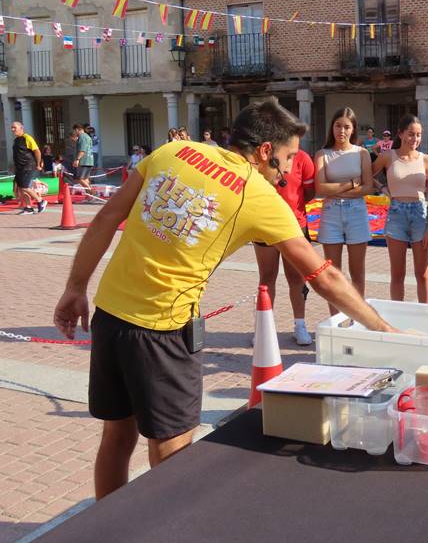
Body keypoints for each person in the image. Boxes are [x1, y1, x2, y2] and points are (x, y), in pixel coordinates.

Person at [53, 97, 397, 500]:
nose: (286, 173)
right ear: (265, 150)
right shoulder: (258, 194)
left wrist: (75, 288)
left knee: (117, 435)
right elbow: (322, 276)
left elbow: (107, 217)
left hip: (110, 314)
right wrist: (383, 328)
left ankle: (105, 529)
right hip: (164, 330)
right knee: (172, 450)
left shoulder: (173, 151)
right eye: (286, 159)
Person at [253, 145, 317, 345]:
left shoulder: (303, 158)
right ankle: (263, 330)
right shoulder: (262, 157)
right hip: (265, 224)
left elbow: (309, 192)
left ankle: (300, 325)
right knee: (267, 277)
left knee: (296, 278)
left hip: (294, 226)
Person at [314, 107, 373, 314]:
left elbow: (368, 187)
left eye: (347, 126)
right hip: (331, 214)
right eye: (338, 125)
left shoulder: (362, 153)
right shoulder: (323, 154)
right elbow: (320, 188)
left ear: (353, 129)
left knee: (357, 273)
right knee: (332, 273)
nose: (342, 131)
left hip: (356, 212)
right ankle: (335, 320)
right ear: (332, 127)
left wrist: (338, 191)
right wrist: (350, 184)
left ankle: (358, 318)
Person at [372, 115, 428, 303]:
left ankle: (426, 316)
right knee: (397, 274)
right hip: (397, 214)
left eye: (418, 135)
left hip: (420, 214)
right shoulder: (387, 157)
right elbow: (367, 175)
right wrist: (383, 189)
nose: (414, 139)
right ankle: (397, 318)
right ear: (400, 134)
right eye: (410, 134)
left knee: (422, 274)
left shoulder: (426, 160)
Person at [11, 121, 46, 215]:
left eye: (14, 127)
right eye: (12, 128)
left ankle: (41, 201)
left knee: (25, 187)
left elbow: (37, 151)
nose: (12, 129)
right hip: (19, 168)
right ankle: (28, 208)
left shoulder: (27, 138)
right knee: (22, 188)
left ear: (21, 128)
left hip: (28, 166)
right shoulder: (16, 140)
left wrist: (38, 164)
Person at [73, 124, 94, 193]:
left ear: (77, 129)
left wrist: (77, 159)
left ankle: (93, 192)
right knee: (85, 179)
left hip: (84, 161)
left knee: (78, 178)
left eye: (75, 131)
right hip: (89, 160)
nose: (74, 133)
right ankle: (89, 196)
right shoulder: (87, 136)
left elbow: (82, 150)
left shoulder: (82, 137)